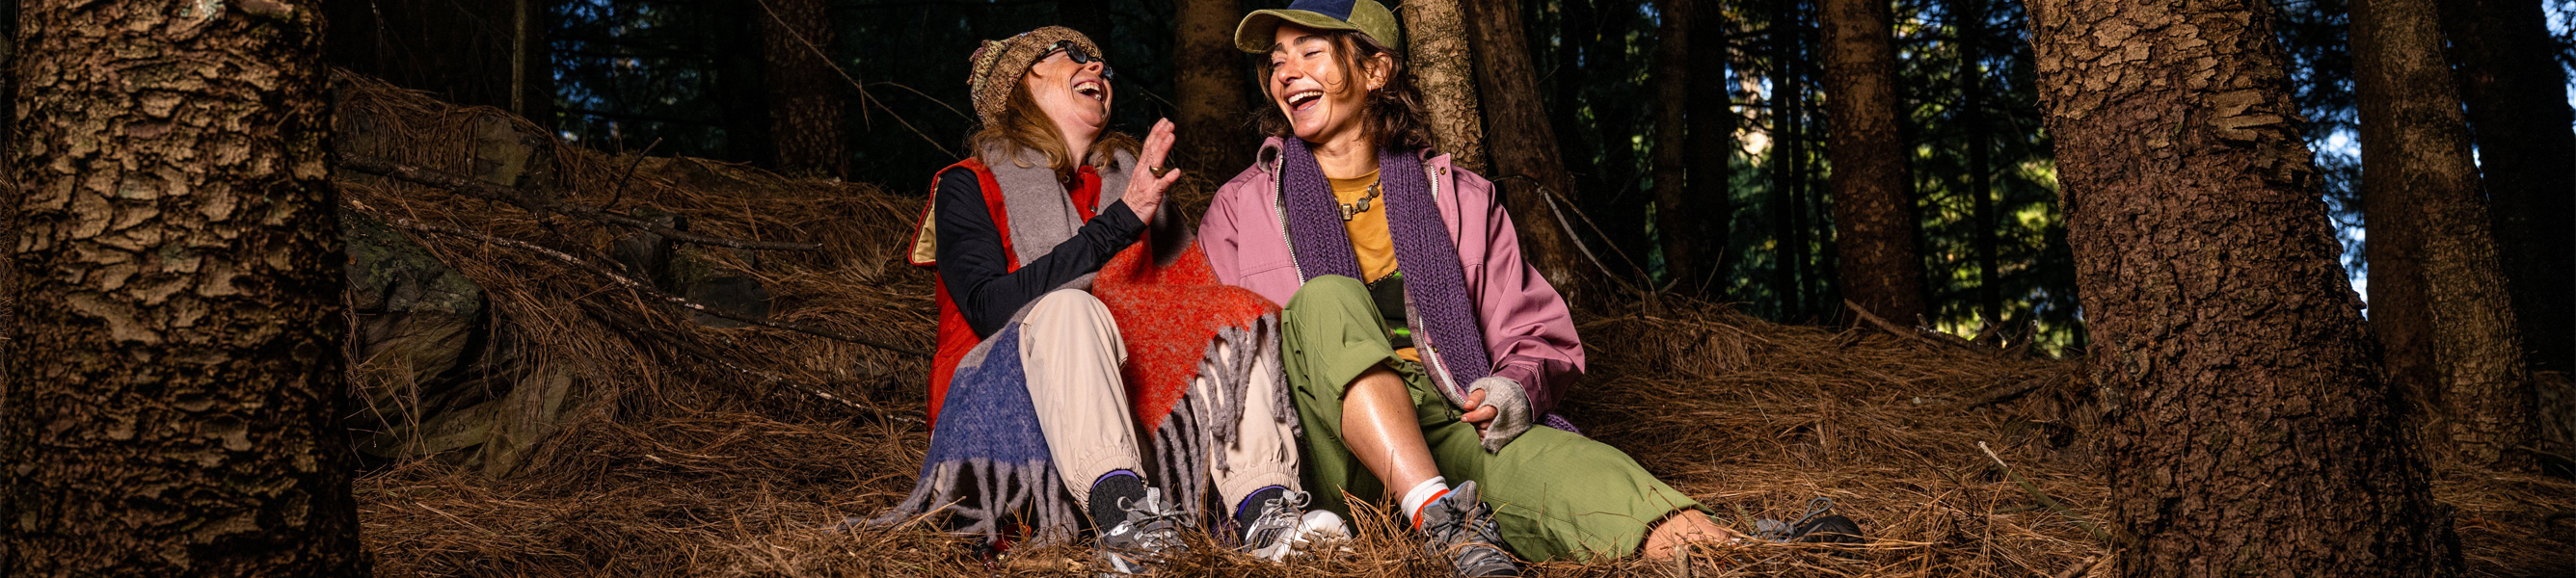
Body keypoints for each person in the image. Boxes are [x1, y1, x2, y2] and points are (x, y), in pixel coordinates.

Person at [1198, 2, 1823, 575]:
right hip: (1326, 448)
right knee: (1327, 298)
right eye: (1275, 61)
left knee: (1573, 467)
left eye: (1309, 52)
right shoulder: (1240, 208)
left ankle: (1741, 552)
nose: (1285, 72)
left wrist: (1512, 387)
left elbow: (1537, 334)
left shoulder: (1461, 199)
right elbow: (1217, 360)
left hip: (1448, 417)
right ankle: (1446, 522)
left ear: (1376, 69)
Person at [872, 26, 1341, 574]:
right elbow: (988, 308)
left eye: (1101, 63)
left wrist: (1135, 206)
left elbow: (1190, 304)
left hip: (1137, 428)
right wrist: (1121, 222)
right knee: (1069, 307)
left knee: (1232, 310)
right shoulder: (967, 184)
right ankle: (1127, 522)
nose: (1096, 67)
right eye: (1071, 57)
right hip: (1007, 425)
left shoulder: (1133, 179)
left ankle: (1267, 513)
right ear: (1019, 84)